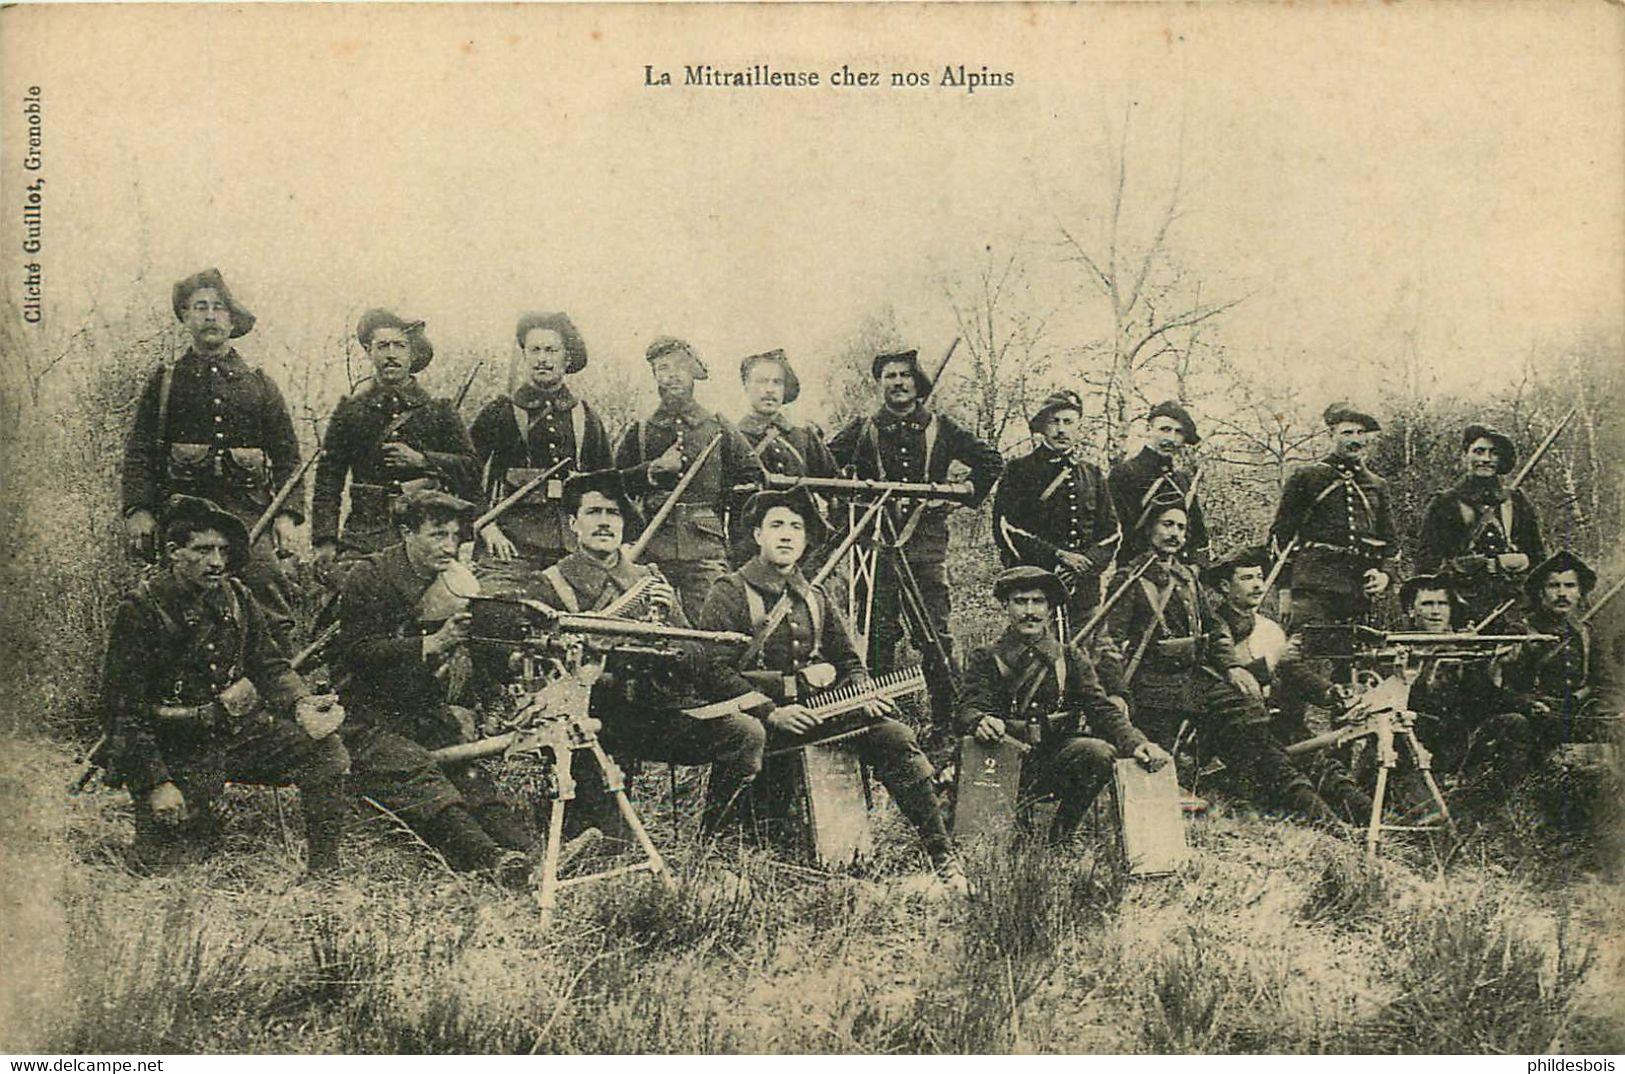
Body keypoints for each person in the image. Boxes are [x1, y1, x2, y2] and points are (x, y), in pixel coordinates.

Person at [698, 487, 967, 890]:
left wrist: (862, 692)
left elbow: (850, 661)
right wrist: (769, 711)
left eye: (795, 527)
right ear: (757, 535)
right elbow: (711, 670)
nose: (786, 535)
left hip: (818, 715)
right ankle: (712, 855)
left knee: (894, 735)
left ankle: (942, 857)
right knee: (744, 740)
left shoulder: (816, 597)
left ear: (806, 540)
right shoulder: (729, 591)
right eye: (776, 526)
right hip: (756, 722)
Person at [99, 495, 350, 874]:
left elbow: (269, 665)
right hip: (176, 749)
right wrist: (156, 783)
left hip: (236, 735)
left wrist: (301, 704)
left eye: (222, 551)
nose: (216, 562)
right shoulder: (142, 610)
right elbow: (123, 712)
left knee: (327, 753)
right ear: (173, 552)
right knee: (169, 871)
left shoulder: (237, 597)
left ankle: (326, 873)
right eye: (202, 551)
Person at [528, 469, 767, 837]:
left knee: (744, 734)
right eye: (594, 513)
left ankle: (717, 840)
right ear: (574, 524)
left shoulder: (651, 581)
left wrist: (671, 615)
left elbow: (698, 661)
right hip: (591, 723)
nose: (605, 522)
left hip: (654, 715)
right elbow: (539, 671)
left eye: (613, 514)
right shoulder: (552, 585)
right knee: (610, 843)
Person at [333, 489, 531, 883]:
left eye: (455, 536)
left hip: (424, 712)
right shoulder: (370, 577)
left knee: (471, 779)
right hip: (366, 717)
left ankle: (529, 852)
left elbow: (482, 660)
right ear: (406, 532)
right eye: (437, 535)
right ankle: (489, 858)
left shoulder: (457, 583)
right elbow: (354, 653)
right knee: (421, 779)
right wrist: (432, 643)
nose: (449, 546)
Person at [1107, 498, 1345, 824]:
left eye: (1181, 527)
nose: (1175, 533)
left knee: (1250, 716)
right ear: (1148, 528)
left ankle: (1303, 805)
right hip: (1153, 685)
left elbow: (1214, 629)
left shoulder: (1188, 577)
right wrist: (1117, 691)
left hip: (1195, 680)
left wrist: (1231, 667)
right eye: (1167, 525)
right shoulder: (1130, 578)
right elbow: (1107, 643)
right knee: (1158, 767)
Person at [121, 268, 305, 647]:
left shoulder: (259, 383)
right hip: (182, 514)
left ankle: (282, 691)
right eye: (199, 307)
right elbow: (139, 450)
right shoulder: (167, 381)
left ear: (232, 319)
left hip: (248, 513)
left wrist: (287, 515)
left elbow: (288, 456)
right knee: (172, 602)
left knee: (266, 586)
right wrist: (138, 509)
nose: (209, 315)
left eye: (218, 308)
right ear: (185, 317)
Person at [827, 348, 1004, 729]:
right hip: (874, 549)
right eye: (889, 376)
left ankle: (947, 722)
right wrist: (850, 500)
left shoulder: (941, 427)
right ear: (880, 385)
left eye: (905, 375)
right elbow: (823, 465)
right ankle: (878, 722)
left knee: (935, 634)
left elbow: (991, 461)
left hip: (926, 546)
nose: (898, 382)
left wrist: (960, 492)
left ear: (917, 381)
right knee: (877, 634)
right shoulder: (863, 428)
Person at [957, 566, 1170, 845]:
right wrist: (979, 720)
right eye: (1020, 601)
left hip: (1054, 760)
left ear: (1049, 608)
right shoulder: (986, 658)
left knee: (1098, 753)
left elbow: (1101, 708)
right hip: (1002, 761)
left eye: (1038, 601)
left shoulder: (1069, 657)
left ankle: (1061, 835)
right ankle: (1017, 828)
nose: (1029, 611)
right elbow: (966, 708)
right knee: (1003, 845)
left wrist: (1136, 742)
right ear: (1005, 606)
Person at [1203, 547, 1373, 823]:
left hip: (1278, 722)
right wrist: (1270, 661)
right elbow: (1228, 682)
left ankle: (1376, 819)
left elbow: (1292, 670)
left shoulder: (1269, 628)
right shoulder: (1213, 628)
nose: (1258, 585)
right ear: (1225, 586)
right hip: (1239, 730)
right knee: (1288, 776)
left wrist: (1329, 692)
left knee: (1326, 769)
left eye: (1259, 577)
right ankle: (1333, 828)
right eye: (1247, 578)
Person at [614, 337, 766, 623]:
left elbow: (752, 480)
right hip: (651, 547)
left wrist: (729, 519)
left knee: (713, 626)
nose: (671, 375)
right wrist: (653, 470)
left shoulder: (718, 428)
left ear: (693, 372)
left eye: (679, 368)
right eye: (663, 368)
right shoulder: (642, 429)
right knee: (649, 629)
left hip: (705, 548)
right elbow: (614, 485)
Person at [312, 310, 479, 567]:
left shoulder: (439, 411)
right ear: (369, 351)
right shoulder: (351, 411)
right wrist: (325, 540)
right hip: (364, 533)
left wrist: (423, 460)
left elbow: (470, 468)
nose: (391, 354)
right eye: (383, 346)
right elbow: (328, 479)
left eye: (400, 346)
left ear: (413, 354)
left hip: (426, 533)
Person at [469, 311, 613, 586]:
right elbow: (465, 472)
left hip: (573, 551)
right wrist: (486, 525)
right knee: (497, 612)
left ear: (566, 358)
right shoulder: (500, 412)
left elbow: (606, 486)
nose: (542, 359)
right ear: (525, 356)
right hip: (510, 547)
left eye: (551, 350)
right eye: (534, 350)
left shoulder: (586, 418)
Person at [1488, 551, 1620, 788]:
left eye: (1569, 586)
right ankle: (1512, 803)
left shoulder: (1587, 633)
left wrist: (1605, 711)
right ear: (1540, 593)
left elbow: (1605, 682)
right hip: (1538, 719)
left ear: (1579, 592)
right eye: (1554, 586)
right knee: (1515, 725)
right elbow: (1500, 688)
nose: (1562, 593)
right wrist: (1528, 704)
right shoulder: (1520, 631)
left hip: (1578, 715)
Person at [993, 390, 1121, 628]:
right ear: (1042, 427)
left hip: (1084, 594)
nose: (1061, 430)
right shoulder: (1019, 470)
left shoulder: (1092, 474)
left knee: (1085, 659)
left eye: (1068, 422)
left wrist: (1084, 566)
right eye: (1054, 422)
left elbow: (1111, 533)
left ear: (1078, 428)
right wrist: (1057, 558)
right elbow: (1007, 529)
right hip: (1034, 592)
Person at [1268, 402, 1398, 630]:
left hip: (1359, 590)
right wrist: (1285, 592)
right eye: (1347, 433)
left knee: (1357, 659)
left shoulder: (1377, 484)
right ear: (1331, 435)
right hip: (1313, 588)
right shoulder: (1307, 477)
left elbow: (1391, 542)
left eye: (1361, 433)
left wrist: (1385, 575)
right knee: (1310, 656)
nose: (1355, 440)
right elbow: (1281, 538)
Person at [1416, 423, 1545, 629]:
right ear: (1464, 456)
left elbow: (1539, 559)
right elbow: (1427, 564)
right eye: (1478, 451)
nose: (1486, 459)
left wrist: (1519, 564)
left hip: (1512, 607)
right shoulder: (1444, 503)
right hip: (1462, 607)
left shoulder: (1516, 501)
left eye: (1493, 453)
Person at [731, 348, 838, 565]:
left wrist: (827, 542)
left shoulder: (803, 437)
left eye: (777, 382)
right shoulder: (731, 438)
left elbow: (836, 488)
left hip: (802, 554)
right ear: (746, 386)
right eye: (761, 382)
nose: (769, 390)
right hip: (750, 551)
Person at [1108, 401, 1209, 566]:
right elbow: (1115, 533)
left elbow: (1198, 535)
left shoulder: (1182, 481)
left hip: (1178, 575)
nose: (1171, 438)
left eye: (1178, 432)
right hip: (1135, 573)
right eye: (1165, 429)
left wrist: (1196, 568)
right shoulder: (1125, 474)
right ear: (1148, 429)